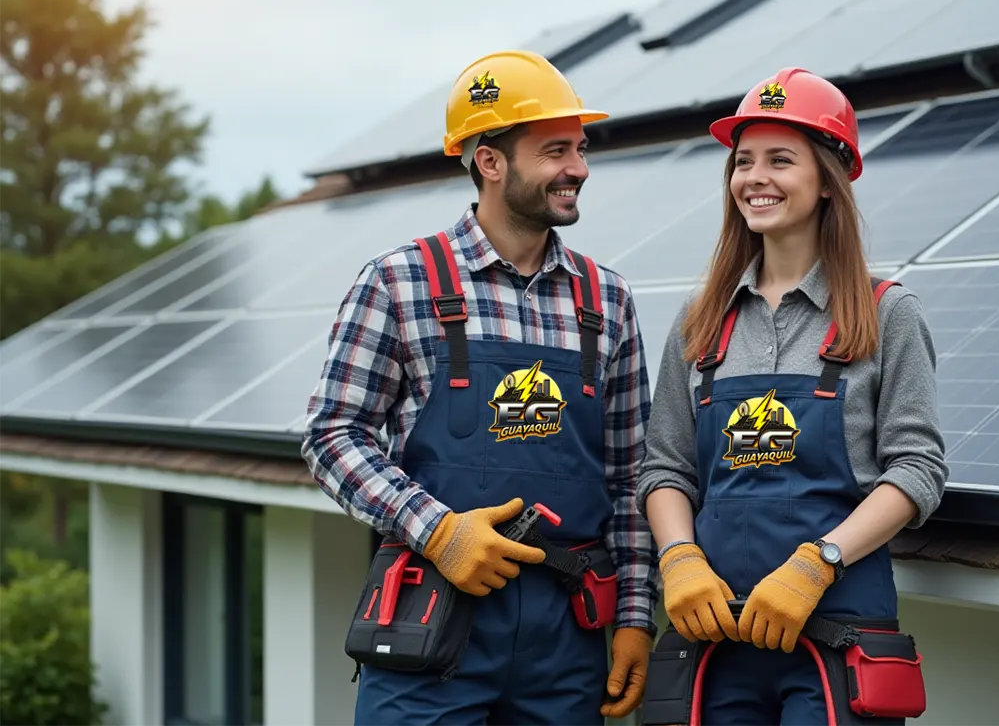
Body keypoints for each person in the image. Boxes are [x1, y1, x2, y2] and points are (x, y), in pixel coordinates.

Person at [302, 49, 658, 726]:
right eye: (555, 150)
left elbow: (631, 476)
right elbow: (330, 436)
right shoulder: (399, 280)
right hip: (430, 621)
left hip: (566, 631)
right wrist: (435, 531)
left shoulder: (607, 299)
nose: (578, 168)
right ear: (489, 161)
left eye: (580, 149)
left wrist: (637, 615)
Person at [635, 67, 948, 724]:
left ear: (828, 181)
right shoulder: (700, 319)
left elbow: (917, 469)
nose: (755, 178)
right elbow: (666, 466)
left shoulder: (887, 313)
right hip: (715, 643)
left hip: (837, 637)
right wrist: (680, 557)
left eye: (781, 160)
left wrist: (817, 562)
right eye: (743, 161)